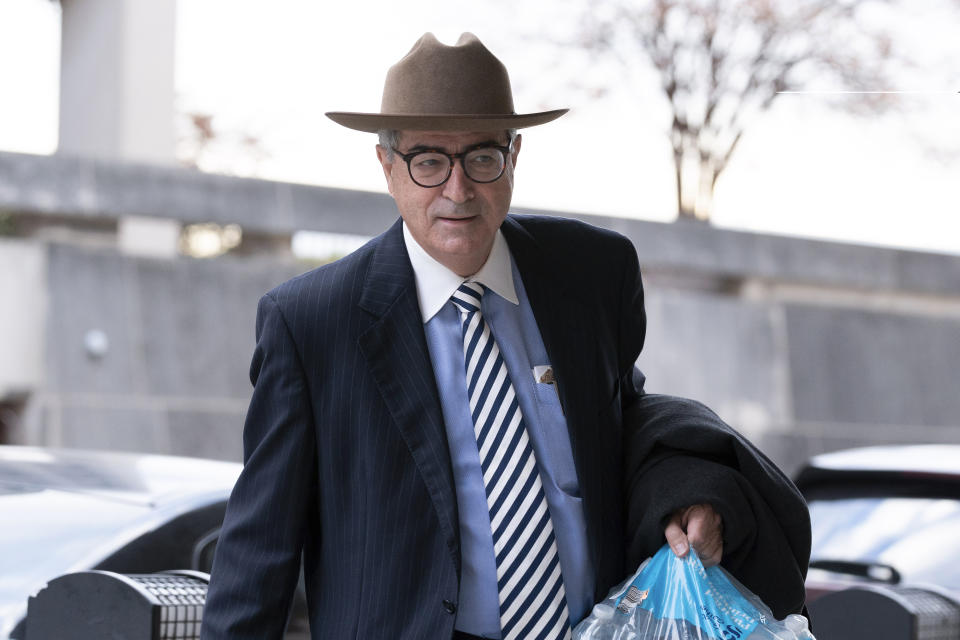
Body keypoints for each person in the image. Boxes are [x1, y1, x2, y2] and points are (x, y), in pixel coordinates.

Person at [201, 33, 810, 640]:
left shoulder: (592, 274)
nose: (458, 190)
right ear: (387, 167)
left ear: (513, 156)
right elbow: (259, 549)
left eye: (481, 159)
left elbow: (623, 427)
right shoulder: (312, 323)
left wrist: (689, 496)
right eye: (429, 161)